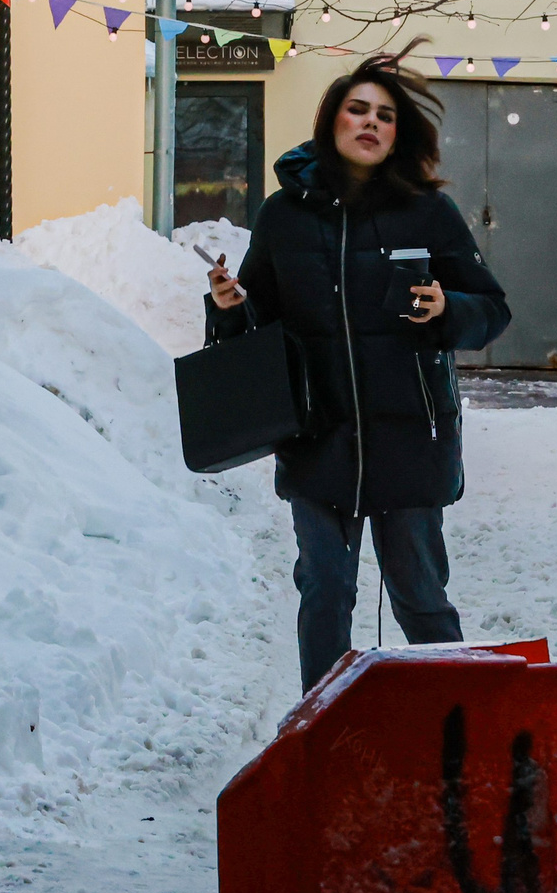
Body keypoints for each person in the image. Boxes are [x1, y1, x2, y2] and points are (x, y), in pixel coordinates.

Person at [205, 53, 510, 692]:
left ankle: (458, 725)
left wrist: (451, 307)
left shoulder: (427, 213)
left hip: (411, 439)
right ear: (333, 121)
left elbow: (492, 309)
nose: (370, 123)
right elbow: (256, 321)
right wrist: (229, 306)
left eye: (385, 115)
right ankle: (322, 732)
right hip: (318, 438)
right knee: (325, 593)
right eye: (358, 109)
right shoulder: (283, 216)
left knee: (421, 595)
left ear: (398, 132)